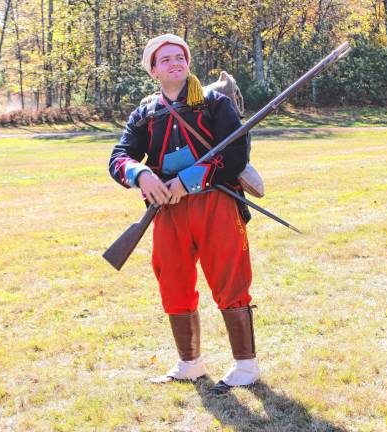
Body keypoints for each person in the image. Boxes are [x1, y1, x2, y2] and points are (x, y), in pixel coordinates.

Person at [108, 34, 259, 394]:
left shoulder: (215, 103)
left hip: (215, 202)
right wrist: (141, 175)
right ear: (154, 72)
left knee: (229, 280)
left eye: (181, 57)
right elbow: (119, 157)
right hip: (168, 211)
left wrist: (189, 180)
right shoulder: (145, 113)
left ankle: (246, 366)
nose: (176, 63)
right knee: (172, 281)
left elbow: (236, 153)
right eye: (166, 60)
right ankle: (190, 364)